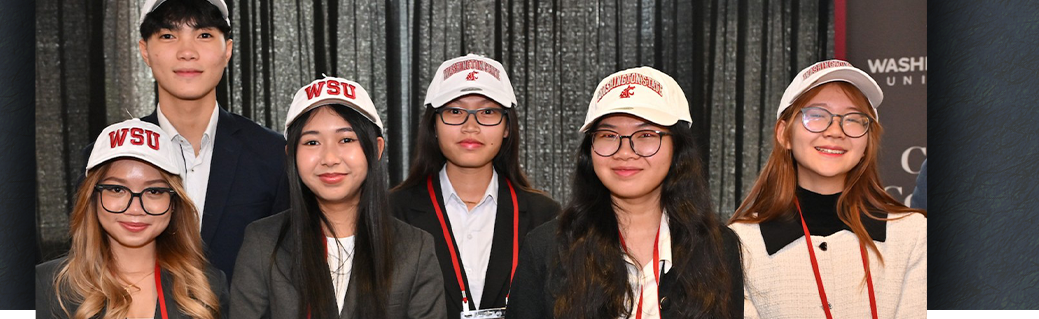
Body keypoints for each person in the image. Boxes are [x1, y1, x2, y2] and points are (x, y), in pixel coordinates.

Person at [81, 0, 289, 282]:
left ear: (228, 50)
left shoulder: (272, 154)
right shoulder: (106, 156)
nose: (187, 51)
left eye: (204, 35)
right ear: (144, 51)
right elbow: (89, 264)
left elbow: (289, 269)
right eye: (168, 36)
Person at [507, 67, 743, 319]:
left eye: (646, 135)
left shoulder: (717, 245)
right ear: (590, 150)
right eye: (609, 135)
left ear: (678, 148)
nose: (625, 152)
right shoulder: (546, 247)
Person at [230, 77, 446, 319]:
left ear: (376, 149)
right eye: (312, 142)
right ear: (291, 154)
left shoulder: (414, 248)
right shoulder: (263, 242)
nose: (330, 158)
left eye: (346, 139)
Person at [728, 60, 927, 318]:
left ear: (867, 142)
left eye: (854, 119)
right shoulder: (740, 244)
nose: (835, 131)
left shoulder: (912, 234)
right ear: (784, 134)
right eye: (817, 115)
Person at [390, 54, 560, 318]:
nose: (471, 127)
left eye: (488, 112)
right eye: (455, 112)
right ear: (434, 125)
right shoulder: (391, 212)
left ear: (507, 127)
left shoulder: (545, 215)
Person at [38, 119, 227, 319]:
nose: (135, 209)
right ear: (91, 198)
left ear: (174, 203)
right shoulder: (41, 285)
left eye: (154, 191)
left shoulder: (208, 286)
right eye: (117, 189)